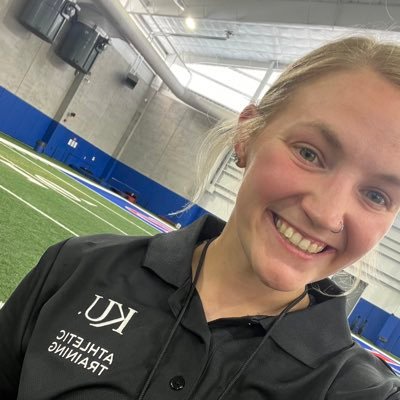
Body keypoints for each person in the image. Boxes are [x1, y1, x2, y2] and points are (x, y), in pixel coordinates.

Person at [1, 36, 400, 399]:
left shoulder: (364, 392)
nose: (326, 214)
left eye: (376, 195)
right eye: (309, 153)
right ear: (246, 137)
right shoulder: (76, 267)